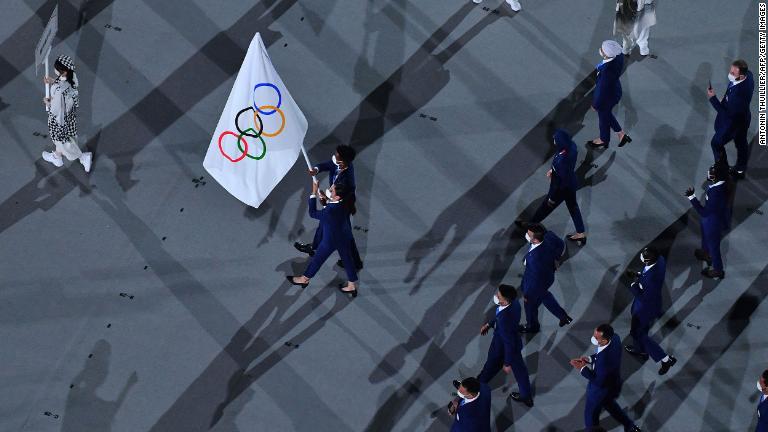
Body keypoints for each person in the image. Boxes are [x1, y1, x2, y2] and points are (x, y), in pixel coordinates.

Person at [294, 145, 363, 269]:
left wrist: (328, 201)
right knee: (325, 226)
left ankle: (355, 262)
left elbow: (342, 198)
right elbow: (328, 165)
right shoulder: (339, 163)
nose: (334, 160)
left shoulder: (347, 180)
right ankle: (314, 247)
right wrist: (316, 169)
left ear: (344, 162)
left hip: (341, 207)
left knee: (346, 235)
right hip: (335, 201)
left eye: (337, 160)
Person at [287, 181, 359, 297]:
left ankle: (304, 279)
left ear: (337, 196)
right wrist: (326, 202)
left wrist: (313, 193)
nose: (329, 190)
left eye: (332, 190)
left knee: (317, 260)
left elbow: (312, 213)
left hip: (330, 240)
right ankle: (351, 285)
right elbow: (333, 214)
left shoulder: (330, 211)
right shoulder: (345, 202)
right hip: (344, 236)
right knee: (347, 260)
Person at [570, 324, 642, 432]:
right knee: (610, 405)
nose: (593, 338)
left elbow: (598, 381)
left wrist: (582, 368)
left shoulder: (604, 361)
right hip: (613, 384)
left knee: (590, 415)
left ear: (604, 341)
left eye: (596, 337)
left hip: (599, 391)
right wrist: (590, 359)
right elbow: (600, 355)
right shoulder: (615, 338)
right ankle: (630, 426)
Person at [524, 129, 587, 246]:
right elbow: (565, 169)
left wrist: (552, 197)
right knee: (573, 207)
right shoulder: (572, 147)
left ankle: (531, 226)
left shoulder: (561, 162)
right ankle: (581, 233)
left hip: (561, 189)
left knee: (545, 207)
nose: (553, 141)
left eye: (555, 140)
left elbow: (558, 184)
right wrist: (553, 170)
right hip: (571, 182)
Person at [476, 284, 533, 407]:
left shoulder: (504, 321)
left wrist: (507, 363)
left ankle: (475, 388)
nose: (496, 296)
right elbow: (499, 315)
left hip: (501, 347)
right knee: (521, 372)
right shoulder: (515, 304)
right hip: (514, 343)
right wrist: (490, 324)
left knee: (489, 367)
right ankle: (526, 396)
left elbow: (508, 343)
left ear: (505, 300)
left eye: (499, 296)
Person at [623, 247, 677, 374]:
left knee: (638, 333)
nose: (642, 256)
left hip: (644, 308)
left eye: (644, 256)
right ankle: (639, 350)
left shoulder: (651, 279)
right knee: (641, 330)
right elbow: (647, 275)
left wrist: (633, 284)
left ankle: (665, 359)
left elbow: (643, 295)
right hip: (651, 304)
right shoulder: (660, 260)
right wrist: (638, 275)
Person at [518, 223, 573, 334]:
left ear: (535, 240)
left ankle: (532, 326)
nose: (526, 235)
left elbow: (534, 280)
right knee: (544, 295)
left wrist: (526, 294)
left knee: (530, 306)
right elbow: (561, 244)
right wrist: (556, 259)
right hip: (548, 277)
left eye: (529, 234)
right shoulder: (548, 236)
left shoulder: (534, 260)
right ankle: (563, 316)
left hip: (535, 282)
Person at [41, 55, 92, 172]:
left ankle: (82, 157)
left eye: (57, 70)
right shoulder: (72, 77)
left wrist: (48, 102)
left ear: (63, 72)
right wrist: (53, 81)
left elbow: (55, 109)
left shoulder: (59, 92)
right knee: (68, 138)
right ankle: (56, 157)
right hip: (69, 115)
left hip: (60, 120)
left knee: (63, 141)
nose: (55, 71)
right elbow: (64, 85)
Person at [708, 59, 754, 179]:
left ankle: (721, 169)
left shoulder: (737, 96)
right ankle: (740, 169)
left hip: (731, 124)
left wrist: (713, 98)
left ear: (741, 76)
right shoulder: (748, 76)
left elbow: (726, 114)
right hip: (743, 119)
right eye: (730, 71)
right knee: (741, 143)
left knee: (716, 143)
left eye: (733, 74)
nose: (730, 74)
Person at [685, 160, 731, 279]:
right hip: (711, 221)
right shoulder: (719, 185)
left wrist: (692, 197)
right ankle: (706, 253)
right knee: (706, 239)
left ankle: (718, 270)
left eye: (712, 173)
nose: (709, 174)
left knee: (714, 247)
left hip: (712, 223)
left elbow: (704, 212)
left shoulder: (716, 193)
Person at [587, 41, 632, 149]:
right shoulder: (618, 56)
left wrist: (595, 105)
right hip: (614, 90)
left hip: (607, 97)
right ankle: (619, 135)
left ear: (606, 54)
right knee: (605, 115)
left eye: (602, 49)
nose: (600, 50)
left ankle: (604, 139)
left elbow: (601, 91)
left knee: (603, 116)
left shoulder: (606, 73)